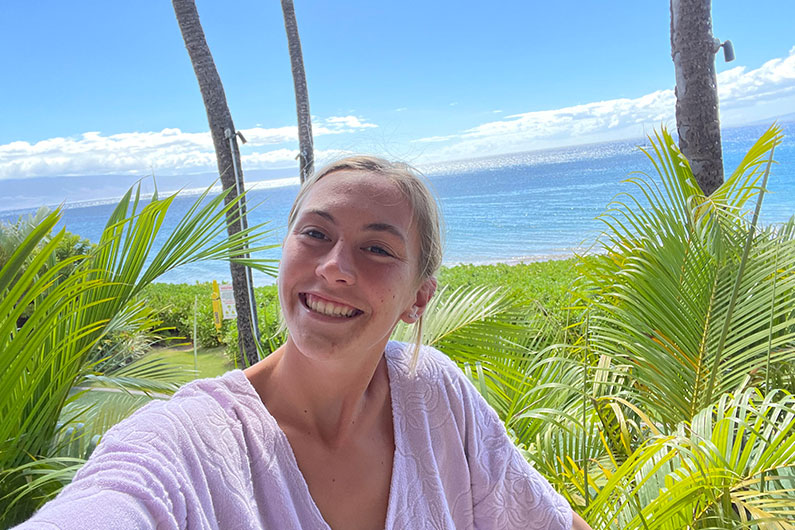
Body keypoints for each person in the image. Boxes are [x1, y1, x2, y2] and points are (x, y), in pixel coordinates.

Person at [16, 156, 592, 529]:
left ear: (419, 297)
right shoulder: (191, 444)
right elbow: (116, 500)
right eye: (315, 234)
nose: (335, 267)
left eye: (377, 248)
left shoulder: (432, 393)